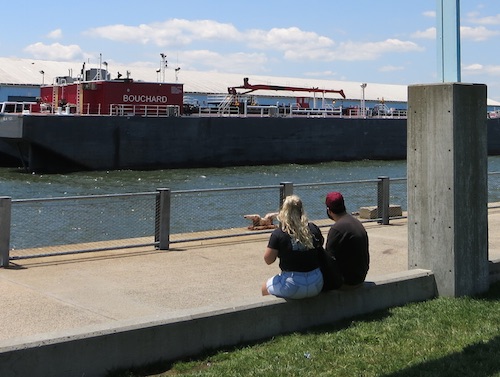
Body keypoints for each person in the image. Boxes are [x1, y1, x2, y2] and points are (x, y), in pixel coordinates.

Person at [261, 195, 324, 299]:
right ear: (301, 210)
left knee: (264, 287)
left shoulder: (279, 234)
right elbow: (320, 244)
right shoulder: (313, 228)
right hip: (316, 283)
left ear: (284, 211)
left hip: (293, 285)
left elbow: (268, 260)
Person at [324, 191, 370, 290]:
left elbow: (328, 260)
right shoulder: (356, 223)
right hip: (360, 277)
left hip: (347, 282)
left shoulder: (337, 229)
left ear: (329, 210)